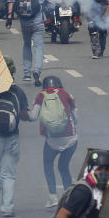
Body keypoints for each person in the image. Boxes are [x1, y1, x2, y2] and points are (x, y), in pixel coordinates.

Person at [0, 57, 31, 217]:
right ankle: (7, 208)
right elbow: (24, 115)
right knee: (9, 174)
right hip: (12, 138)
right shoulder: (18, 92)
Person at [28, 75, 78, 208]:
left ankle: (53, 197)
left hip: (52, 140)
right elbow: (76, 117)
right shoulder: (67, 94)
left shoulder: (40, 96)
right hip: (71, 139)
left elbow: (33, 117)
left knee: (48, 164)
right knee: (63, 166)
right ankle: (68, 197)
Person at [6, 0, 47, 85]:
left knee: (27, 45)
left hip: (24, 22)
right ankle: (37, 71)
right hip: (38, 22)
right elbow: (48, 2)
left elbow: (11, 0)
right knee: (39, 47)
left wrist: (9, 18)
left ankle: (27, 73)